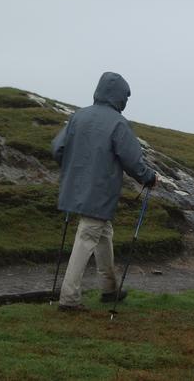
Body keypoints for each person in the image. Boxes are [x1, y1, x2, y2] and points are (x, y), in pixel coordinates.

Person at [51, 72, 157, 312]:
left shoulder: (78, 116)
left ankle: (110, 289)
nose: (126, 101)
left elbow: (58, 148)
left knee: (103, 234)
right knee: (87, 236)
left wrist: (73, 169)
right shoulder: (118, 123)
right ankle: (68, 299)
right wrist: (149, 178)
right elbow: (132, 160)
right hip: (100, 192)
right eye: (125, 97)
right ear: (118, 96)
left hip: (75, 186)